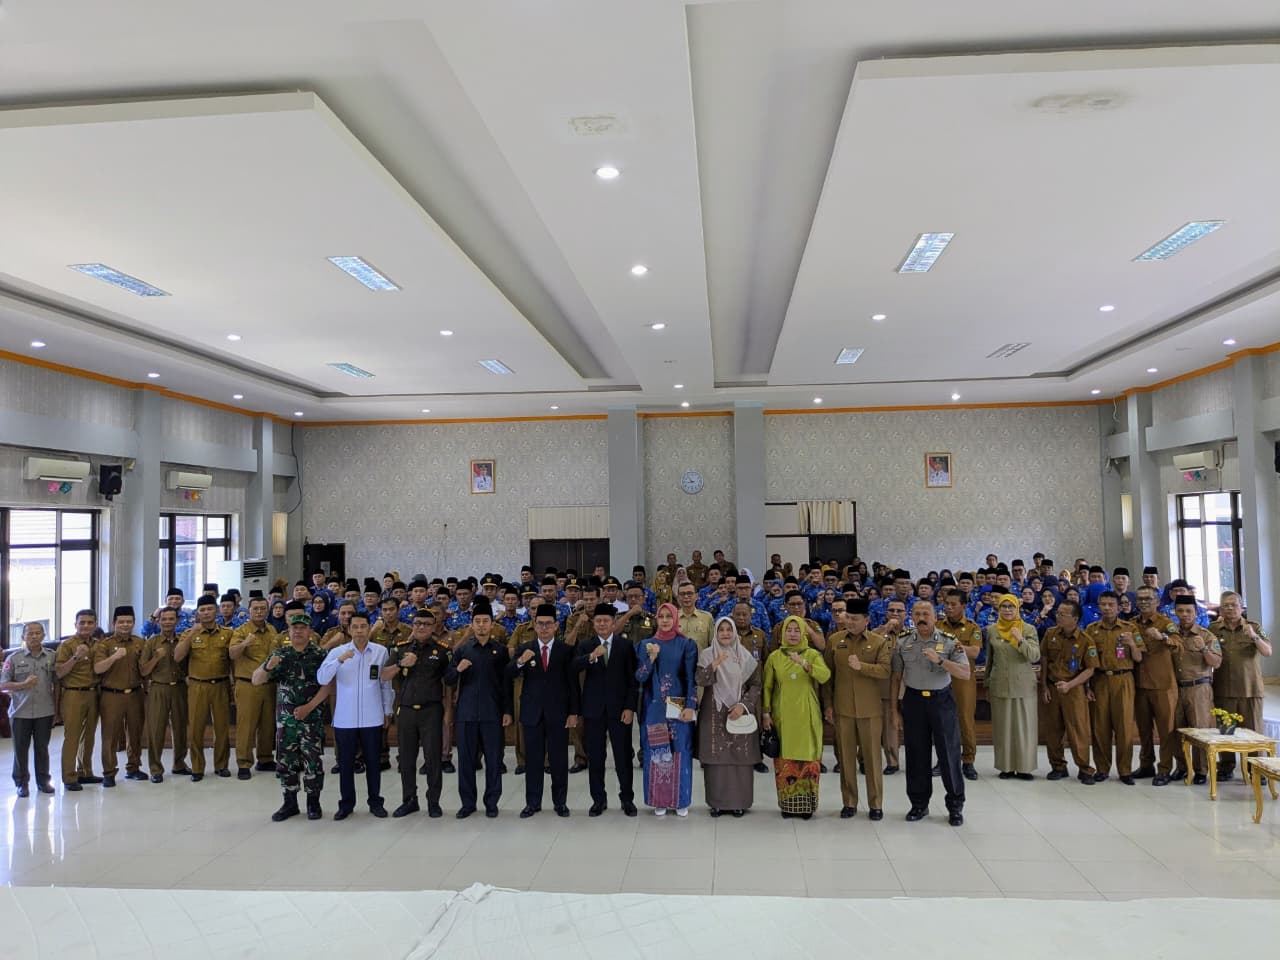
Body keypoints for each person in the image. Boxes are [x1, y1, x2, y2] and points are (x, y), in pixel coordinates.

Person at [890, 601, 969, 826]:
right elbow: (896, 677)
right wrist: (894, 710)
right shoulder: (903, 641)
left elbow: (965, 673)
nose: (921, 618)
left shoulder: (949, 641)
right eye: (917, 614)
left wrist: (941, 660)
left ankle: (955, 806)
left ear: (935, 617)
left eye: (926, 613)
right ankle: (919, 804)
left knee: (949, 754)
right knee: (916, 755)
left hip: (941, 700)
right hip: (914, 700)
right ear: (912, 617)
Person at [253, 604, 331, 821]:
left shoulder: (319, 655)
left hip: (311, 717)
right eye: (294, 628)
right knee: (286, 761)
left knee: (312, 761)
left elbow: (327, 686)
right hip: (286, 720)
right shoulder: (281, 654)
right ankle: (289, 803)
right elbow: (256, 680)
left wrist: (308, 707)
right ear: (288, 631)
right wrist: (269, 666)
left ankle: (313, 802)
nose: (298, 631)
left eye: (302, 628)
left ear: (310, 631)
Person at [317, 611, 393, 819]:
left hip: (372, 716)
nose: (359, 631)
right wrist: (339, 661)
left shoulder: (380, 652)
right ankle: (346, 804)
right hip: (345, 717)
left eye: (363, 626)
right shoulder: (338, 652)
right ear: (349, 630)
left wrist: (387, 709)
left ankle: (375, 802)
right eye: (355, 627)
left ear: (369, 628)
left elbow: (385, 684)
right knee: (346, 764)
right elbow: (322, 678)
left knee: (373, 763)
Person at [508, 604, 580, 818]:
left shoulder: (565, 650)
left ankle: (560, 802)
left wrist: (573, 712)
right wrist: (520, 661)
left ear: (556, 626)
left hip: (558, 713)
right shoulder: (525, 648)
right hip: (532, 712)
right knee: (533, 760)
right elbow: (508, 673)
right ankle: (532, 803)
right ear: (535, 624)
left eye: (549, 624)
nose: (544, 628)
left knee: (559, 760)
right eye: (540, 624)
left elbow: (573, 684)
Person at [822, 598, 890, 819]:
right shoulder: (835, 640)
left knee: (872, 759)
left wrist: (862, 667)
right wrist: (828, 705)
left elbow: (885, 670)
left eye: (855, 618)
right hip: (843, 709)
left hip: (870, 710)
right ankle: (849, 802)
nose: (849, 622)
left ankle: (876, 804)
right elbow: (827, 677)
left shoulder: (878, 642)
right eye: (848, 617)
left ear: (866, 620)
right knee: (846, 758)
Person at [445, 598, 512, 818]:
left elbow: (506, 684)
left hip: (492, 713)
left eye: (485, 621)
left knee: (493, 760)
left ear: (492, 624)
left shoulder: (500, 651)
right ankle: (468, 803)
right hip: (466, 713)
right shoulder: (463, 650)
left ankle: (491, 802)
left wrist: (507, 711)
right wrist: (459, 670)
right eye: (477, 621)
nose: (481, 625)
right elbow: (448, 678)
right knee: (466, 761)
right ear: (472, 624)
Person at [762, 615, 831, 819]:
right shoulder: (775, 657)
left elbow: (825, 676)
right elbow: (767, 687)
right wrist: (766, 712)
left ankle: (807, 806)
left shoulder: (812, 654)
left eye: (796, 630)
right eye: (789, 630)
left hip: (806, 713)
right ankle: (788, 805)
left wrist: (804, 664)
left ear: (803, 633)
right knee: (785, 760)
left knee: (808, 759)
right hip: (783, 714)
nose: (792, 634)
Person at [385, 608, 452, 818]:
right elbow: (383, 675)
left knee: (433, 758)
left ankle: (433, 801)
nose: (421, 627)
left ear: (433, 627)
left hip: (431, 710)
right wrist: (401, 664)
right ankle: (409, 800)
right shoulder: (400, 648)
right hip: (406, 710)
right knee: (406, 759)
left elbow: (449, 682)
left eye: (426, 624)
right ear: (412, 626)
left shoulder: (442, 651)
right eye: (417, 623)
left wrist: (448, 711)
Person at [575, 602, 639, 817]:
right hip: (593, 710)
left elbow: (632, 679)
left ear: (613, 623)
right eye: (598, 621)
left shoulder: (625, 645)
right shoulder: (586, 645)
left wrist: (630, 707)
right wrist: (591, 656)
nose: (602, 624)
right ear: (594, 624)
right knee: (596, 757)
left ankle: (627, 799)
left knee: (623, 757)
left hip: (619, 710)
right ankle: (598, 800)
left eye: (606, 620)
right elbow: (573, 666)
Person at [635, 602, 698, 816]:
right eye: (660, 616)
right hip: (653, 708)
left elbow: (690, 678)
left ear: (675, 619)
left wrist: (690, 705)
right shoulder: (645, 644)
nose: (664, 620)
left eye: (668, 616)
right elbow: (640, 676)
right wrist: (651, 658)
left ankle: (681, 800)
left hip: (678, 708)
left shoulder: (686, 644)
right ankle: (659, 799)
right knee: (656, 752)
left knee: (680, 751)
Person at [696, 616, 762, 817]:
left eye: (729, 629)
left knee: (739, 759)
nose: (725, 633)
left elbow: (756, 685)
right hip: (713, 714)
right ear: (715, 633)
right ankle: (716, 803)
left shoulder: (745, 656)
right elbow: (700, 680)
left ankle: (739, 802)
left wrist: (743, 705)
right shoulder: (707, 655)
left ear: (734, 632)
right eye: (721, 629)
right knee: (716, 760)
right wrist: (715, 663)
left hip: (738, 713)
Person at [1208, 591, 1272, 781]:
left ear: (1241, 607)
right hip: (1223, 688)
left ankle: (1256, 768)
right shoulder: (1213, 629)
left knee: (1253, 731)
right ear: (1220, 609)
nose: (1230, 608)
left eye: (1233, 605)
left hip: (1250, 688)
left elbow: (1267, 651)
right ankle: (1226, 766)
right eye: (1225, 605)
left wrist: (1254, 636)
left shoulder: (1254, 627)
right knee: (1226, 730)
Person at [1085, 590, 1142, 784]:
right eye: (1103, 604)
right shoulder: (1091, 629)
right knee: (1100, 727)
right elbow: (1086, 661)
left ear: (1119, 607)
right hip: (1099, 680)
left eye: (1111, 604)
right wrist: (1087, 686)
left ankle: (1125, 770)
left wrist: (1132, 644)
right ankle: (1102, 769)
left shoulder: (1130, 628)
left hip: (1123, 679)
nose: (1107, 608)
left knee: (1124, 727)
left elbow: (1139, 658)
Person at [174, 595, 234, 780]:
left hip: (221, 685)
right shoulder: (189, 633)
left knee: (222, 728)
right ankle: (197, 768)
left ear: (216, 611)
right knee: (196, 728)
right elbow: (177, 656)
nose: (206, 613)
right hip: (197, 685)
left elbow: (233, 660)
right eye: (202, 610)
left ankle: (221, 765)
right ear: (197, 613)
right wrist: (192, 633)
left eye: (209, 609)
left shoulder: (227, 633)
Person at [1039, 600, 1097, 783]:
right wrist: (1044, 686)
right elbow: (1044, 661)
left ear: (1075, 619)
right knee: (1053, 730)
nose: (1058, 616)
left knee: (1077, 729)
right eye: (1058, 613)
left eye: (1063, 614)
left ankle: (1084, 768)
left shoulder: (1086, 640)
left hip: (1074, 689)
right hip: (1053, 687)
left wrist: (1070, 685)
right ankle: (1058, 766)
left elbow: (1090, 669)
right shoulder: (1050, 634)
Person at [985, 594, 1041, 780]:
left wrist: (1020, 640)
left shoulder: (1028, 629)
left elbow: (1034, 656)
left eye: (1011, 607)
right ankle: (1006, 767)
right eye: (1004, 606)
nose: (1007, 610)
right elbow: (990, 659)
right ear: (998, 609)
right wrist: (987, 682)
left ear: (1017, 609)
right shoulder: (992, 630)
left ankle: (1025, 767)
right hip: (999, 683)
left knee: (1024, 728)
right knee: (1003, 728)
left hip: (1023, 685)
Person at [1170, 595, 1222, 785]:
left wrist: (1204, 650)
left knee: (1200, 730)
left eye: (1188, 611)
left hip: (1199, 688)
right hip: (1176, 688)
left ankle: (1201, 770)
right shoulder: (1172, 634)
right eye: (1180, 611)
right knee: (1177, 729)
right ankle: (1182, 767)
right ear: (1175, 612)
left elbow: (1217, 662)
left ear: (1196, 612)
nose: (1184, 615)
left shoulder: (1206, 635)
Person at [92, 605, 147, 787]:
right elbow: (98, 668)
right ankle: (109, 772)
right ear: (114, 623)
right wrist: (114, 657)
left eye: (129, 621)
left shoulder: (140, 642)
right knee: (110, 736)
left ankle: (133, 768)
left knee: (135, 733)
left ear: (134, 623)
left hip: (135, 694)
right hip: (112, 695)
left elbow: (144, 669)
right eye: (121, 621)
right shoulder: (104, 644)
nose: (125, 625)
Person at [1, 622, 56, 797]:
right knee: (20, 750)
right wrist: (23, 685)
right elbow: (3, 684)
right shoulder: (13, 658)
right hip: (20, 712)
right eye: (30, 633)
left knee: (42, 749)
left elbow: (58, 681)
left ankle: (43, 782)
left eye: (38, 633)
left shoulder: (51, 656)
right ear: (23, 636)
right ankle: (21, 783)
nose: (34, 636)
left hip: (44, 711)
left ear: (43, 636)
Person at [1131, 586, 1178, 784]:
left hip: (1162, 685)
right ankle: (1146, 764)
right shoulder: (1132, 624)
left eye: (1148, 599)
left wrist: (1163, 637)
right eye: (1140, 599)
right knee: (1143, 729)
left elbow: (1178, 643)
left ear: (1157, 602)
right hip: (1139, 684)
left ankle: (1165, 768)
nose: (1143, 602)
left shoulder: (1166, 623)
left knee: (1166, 730)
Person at [229, 593, 280, 778]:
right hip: (247, 684)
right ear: (249, 611)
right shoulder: (241, 631)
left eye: (263, 608)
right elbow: (232, 654)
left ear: (268, 610)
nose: (259, 612)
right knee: (247, 725)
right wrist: (245, 643)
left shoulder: (272, 630)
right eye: (255, 609)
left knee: (268, 724)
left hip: (269, 684)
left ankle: (265, 759)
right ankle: (243, 763)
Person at [140, 607, 190, 782]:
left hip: (179, 688)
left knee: (180, 728)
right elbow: (143, 671)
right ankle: (155, 769)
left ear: (177, 621)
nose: (167, 622)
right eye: (164, 619)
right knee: (156, 729)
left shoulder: (183, 640)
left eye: (171, 619)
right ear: (159, 621)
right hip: (158, 689)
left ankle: (179, 764)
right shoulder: (151, 642)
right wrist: (156, 658)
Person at [54, 608, 102, 790]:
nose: (86, 626)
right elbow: (59, 673)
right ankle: (69, 777)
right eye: (82, 622)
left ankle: (85, 772)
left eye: (90, 622)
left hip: (93, 693)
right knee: (72, 737)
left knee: (89, 736)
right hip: (73, 693)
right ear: (75, 624)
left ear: (95, 624)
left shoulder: (98, 644)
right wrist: (75, 657)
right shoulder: (67, 645)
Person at [939, 588, 982, 780]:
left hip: (963, 680)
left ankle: (968, 761)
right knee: (941, 721)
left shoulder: (973, 627)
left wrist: (952, 646)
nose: (948, 607)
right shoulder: (938, 625)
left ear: (963, 606)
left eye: (953, 604)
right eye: (946, 604)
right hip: (940, 678)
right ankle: (944, 760)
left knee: (965, 719)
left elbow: (974, 652)